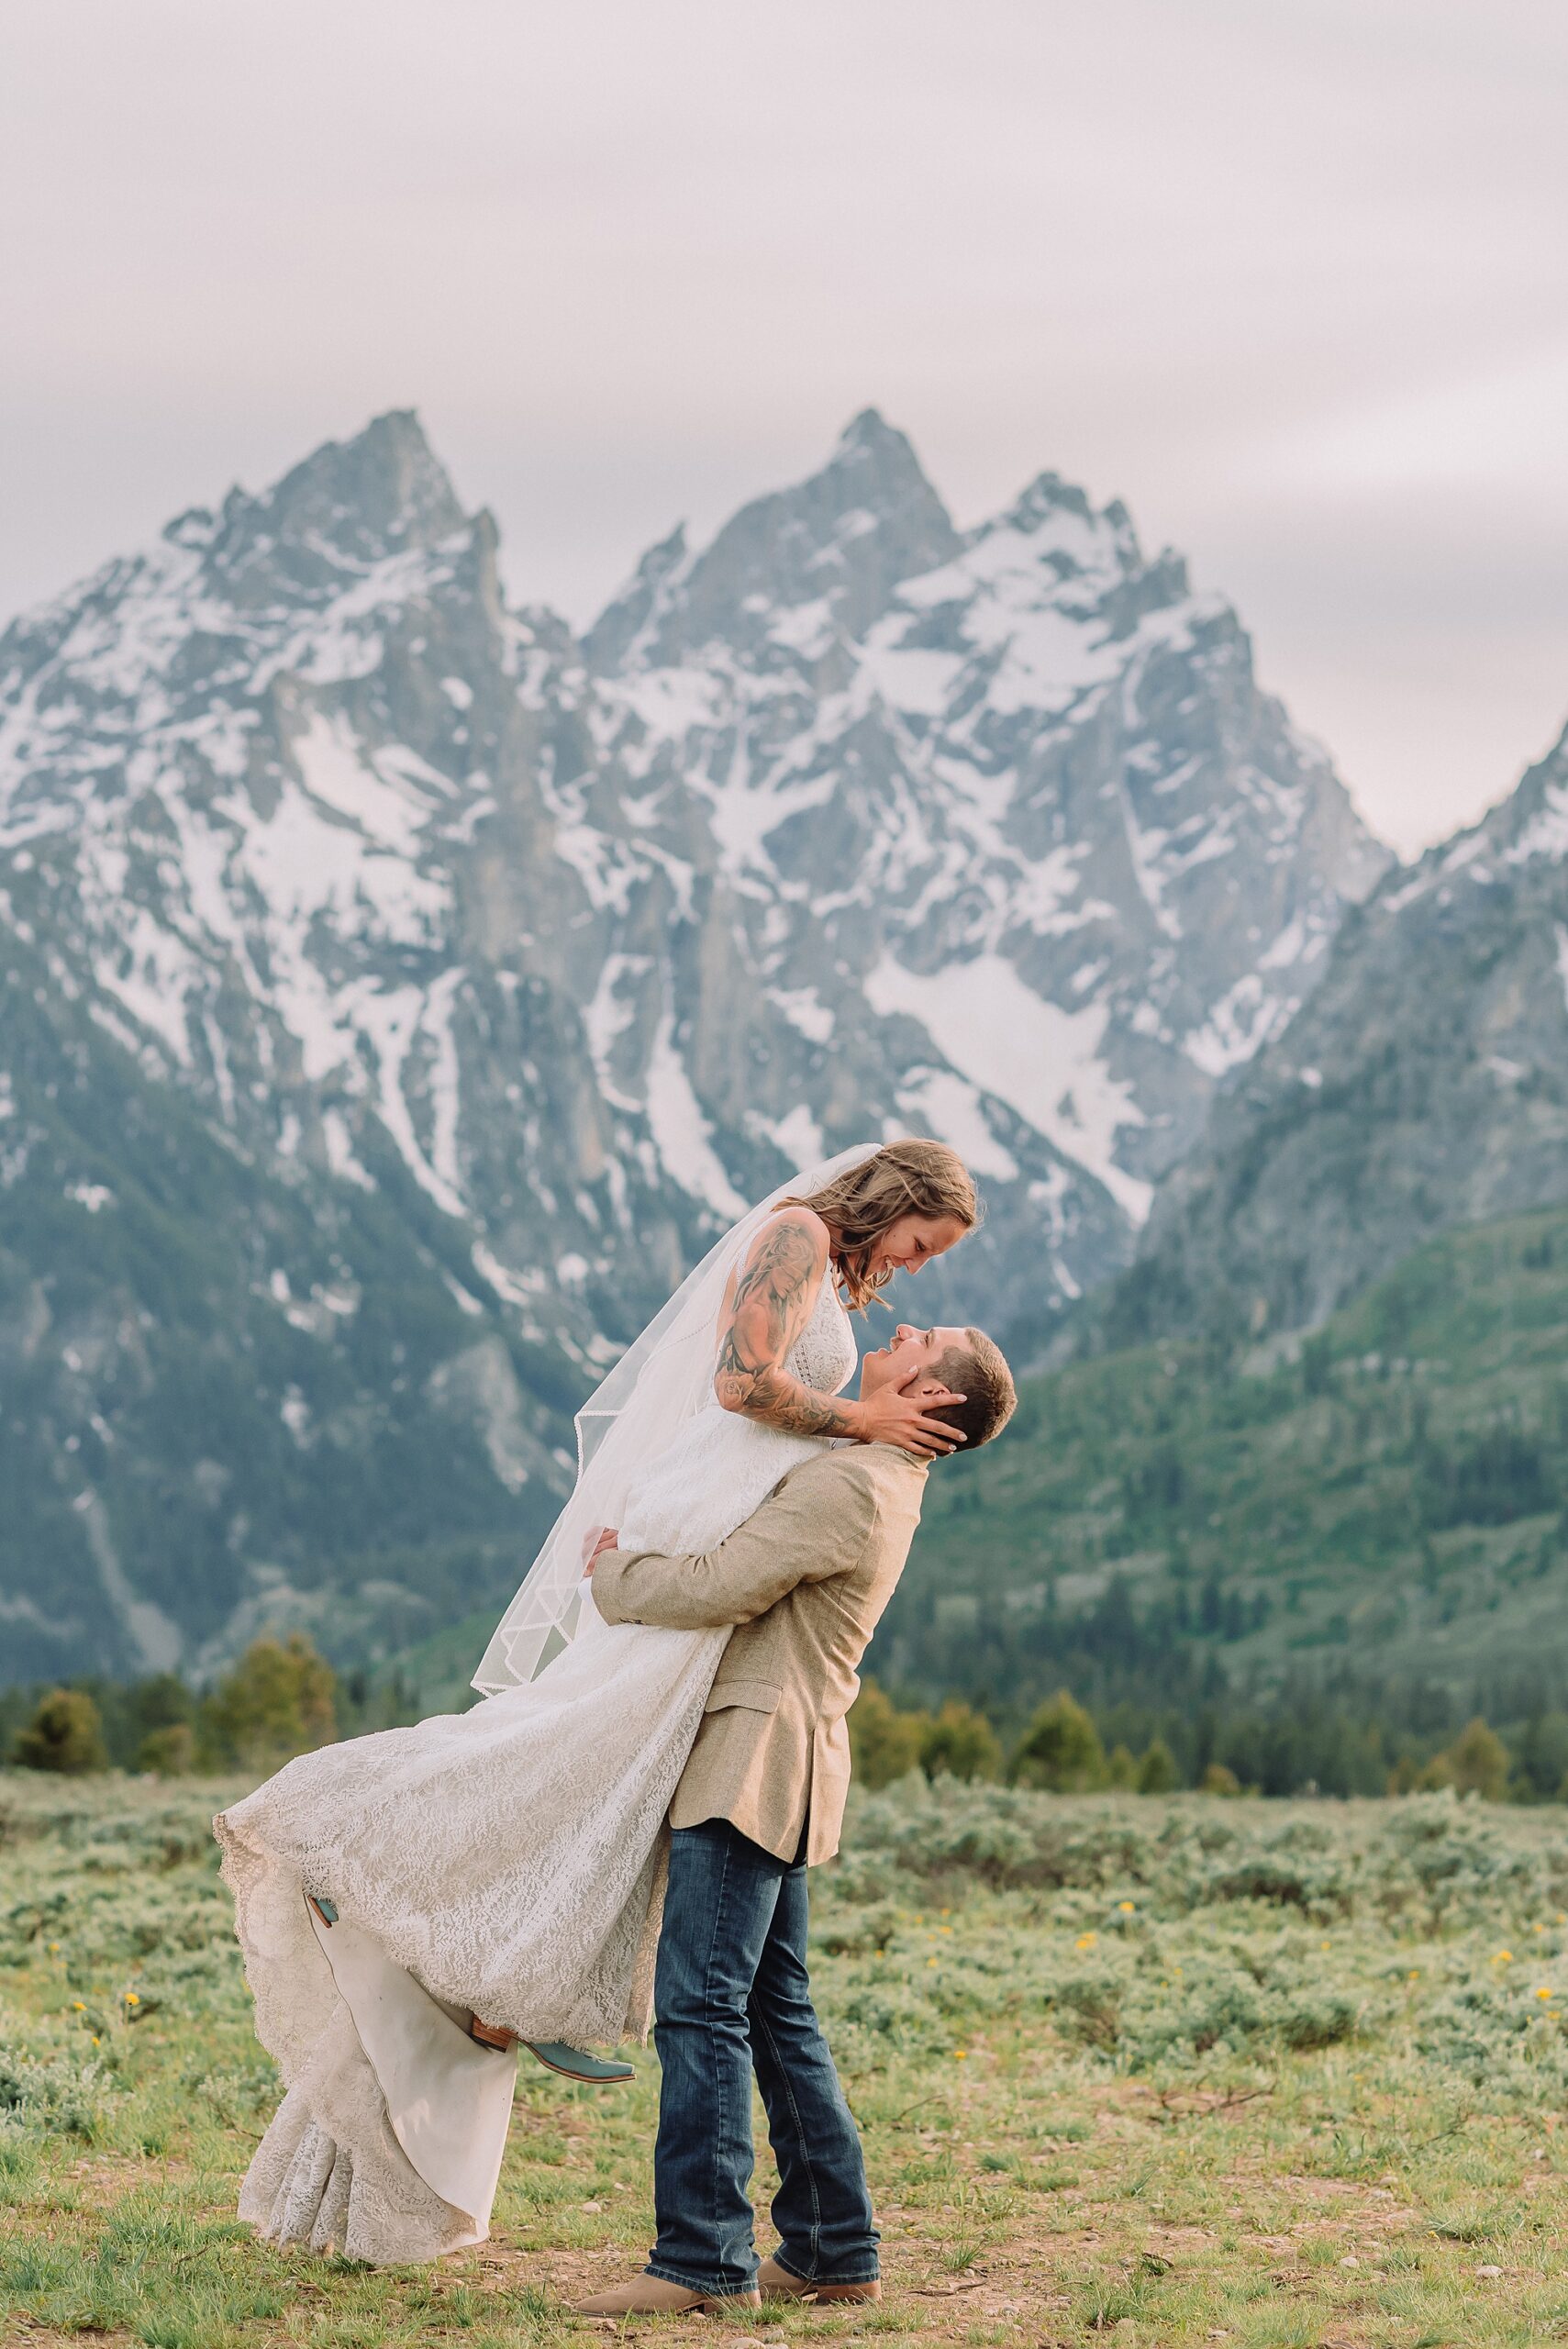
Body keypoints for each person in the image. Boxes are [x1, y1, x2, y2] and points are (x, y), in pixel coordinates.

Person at [217, 1140, 982, 2265]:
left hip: (730, 1623)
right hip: (711, 1571)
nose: (913, 1275)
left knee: (619, 1825)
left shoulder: (860, 1440)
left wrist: (830, 1444)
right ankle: (456, 1941)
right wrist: (854, 1420)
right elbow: (738, 1381)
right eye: (923, 1246)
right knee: (586, 1778)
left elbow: (753, 1466)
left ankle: (526, 2010)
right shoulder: (800, 1238)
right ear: (899, 1200)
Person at [575, 1320, 1018, 2315]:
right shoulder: (877, 1480)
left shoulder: (850, 1486)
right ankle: (831, 2245)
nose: (901, 1329)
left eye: (923, 1339)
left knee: (700, 2007)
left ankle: (700, 2260)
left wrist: (612, 1571)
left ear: (933, 1398)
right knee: (774, 2013)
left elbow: (722, 1585)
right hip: (794, 1762)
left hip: (750, 1764)